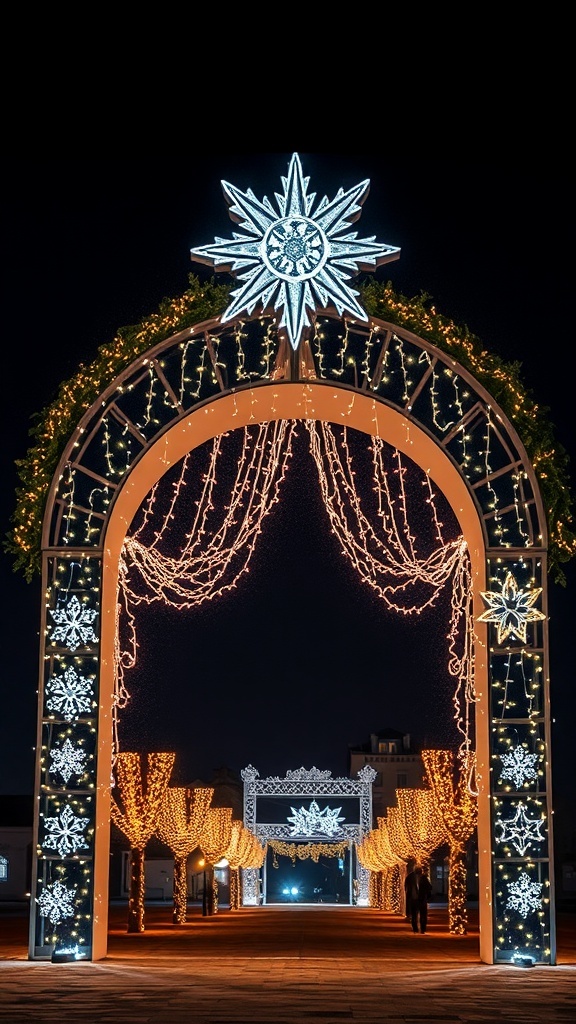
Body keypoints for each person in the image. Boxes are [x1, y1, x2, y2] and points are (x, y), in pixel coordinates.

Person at [413, 866, 433, 934]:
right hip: (421, 899)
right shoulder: (424, 878)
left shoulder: (411, 878)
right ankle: (422, 929)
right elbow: (430, 887)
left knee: (415, 915)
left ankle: (416, 929)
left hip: (415, 899)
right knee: (423, 915)